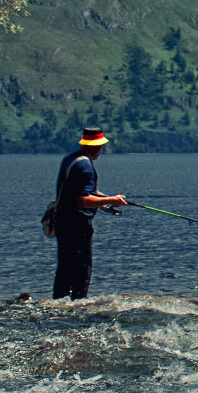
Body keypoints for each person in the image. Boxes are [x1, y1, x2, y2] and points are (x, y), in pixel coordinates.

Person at [52, 127, 129, 299]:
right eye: (100, 147)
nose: (100, 151)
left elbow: (80, 190)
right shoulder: (86, 166)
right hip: (78, 224)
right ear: (97, 146)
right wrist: (111, 201)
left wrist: (105, 198)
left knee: (65, 266)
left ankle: (59, 301)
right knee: (82, 266)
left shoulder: (71, 159)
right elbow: (83, 200)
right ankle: (80, 303)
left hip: (62, 221)